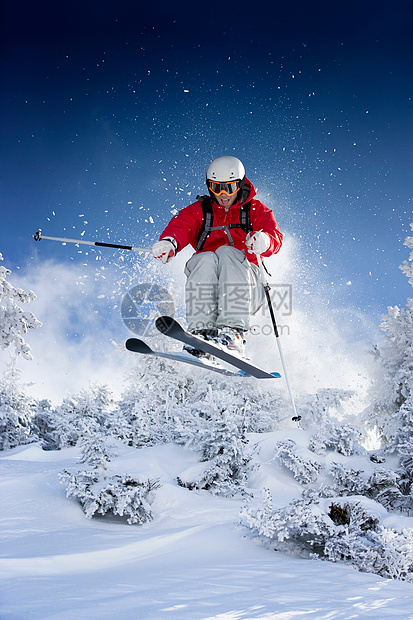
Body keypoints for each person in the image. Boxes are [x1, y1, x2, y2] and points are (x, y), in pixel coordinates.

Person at [152, 155, 283, 357]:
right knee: (204, 258)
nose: (223, 194)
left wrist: (264, 240)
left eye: (229, 188)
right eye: (216, 187)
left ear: (239, 185)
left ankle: (233, 334)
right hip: (211, 293)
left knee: (227, 252)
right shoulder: (202, 210)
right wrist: (170, 242)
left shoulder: (255, 210)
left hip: (248, 288)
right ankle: (201, 332)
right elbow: (182, 225)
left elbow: (274, 236)